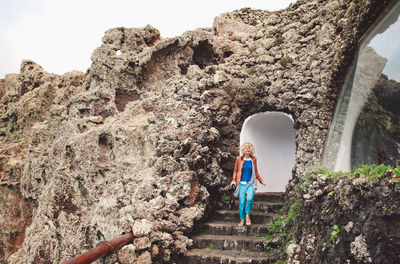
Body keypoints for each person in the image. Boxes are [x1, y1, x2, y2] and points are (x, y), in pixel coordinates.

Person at [231, 142, 266, 226]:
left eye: (249, 148)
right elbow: (235, 171)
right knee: (242, 202)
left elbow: (256, 172)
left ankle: (247, 216)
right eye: (246, 148)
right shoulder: (239, 159)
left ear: (251, 150)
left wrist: (261, 181)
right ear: (243, 150)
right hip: (241, 184)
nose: (248, 150)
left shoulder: (253, 159)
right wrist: (233, 180)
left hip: (250, 184)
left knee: (250, 199)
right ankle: (242, 219)